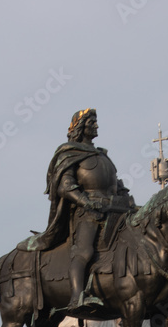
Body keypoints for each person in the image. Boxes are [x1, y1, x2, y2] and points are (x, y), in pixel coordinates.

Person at [23, 109, 134, 310]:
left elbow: (117, 184)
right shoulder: (69, 153)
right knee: (84, 250)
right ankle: (77, 298)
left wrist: (128, 200)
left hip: (114, 210)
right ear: (81, 126)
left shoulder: (103, 156)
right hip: (87, 213)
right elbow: (64, 186)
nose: (96, 126)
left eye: (96, 122)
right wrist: (85, 201)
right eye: (92, 122)